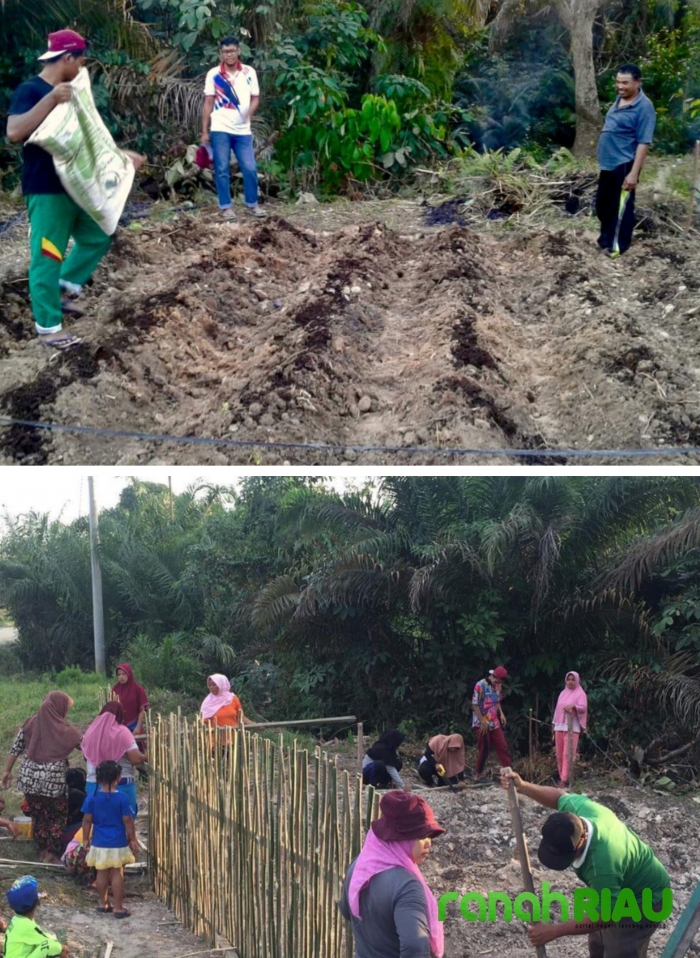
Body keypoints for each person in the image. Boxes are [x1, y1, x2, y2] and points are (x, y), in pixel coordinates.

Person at [6, 29, 146, 350]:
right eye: (80, 58)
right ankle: (49, 328)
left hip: (75, 187)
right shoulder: (32, 90)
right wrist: (52, 98)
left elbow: (86, 142)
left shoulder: (74, 92)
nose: (83, 64)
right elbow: (14, 132)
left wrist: (122, 158)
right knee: (47, 254)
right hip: (46, 189)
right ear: (67, 58)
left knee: (100, 233)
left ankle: (61, 288)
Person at [500, 769, 671, 954]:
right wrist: (523, 786)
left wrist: (554, 931)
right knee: (597, 945)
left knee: (619, 950)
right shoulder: (579, 810)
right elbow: (559, 797)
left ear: (581, 841)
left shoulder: (602, 865)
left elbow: (604, 917)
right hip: (618, 889)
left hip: (645, 899)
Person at [339, 790, 445, 958]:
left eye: (430, 836)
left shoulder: (360, 867)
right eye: (422, 836)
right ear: (399, 838)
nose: (428, 844)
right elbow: (415, 948)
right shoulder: (407, 886)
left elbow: (346, 910)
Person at [1, 691, 82, 863]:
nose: (66, 713)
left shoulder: (30, 723)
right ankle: (51, 854)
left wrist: (7, 771)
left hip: (28, 780)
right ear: (59, 708)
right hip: (52, 784)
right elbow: (87, 746)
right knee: (56, 817)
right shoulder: (68, 731)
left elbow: (15, 748)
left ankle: (42, 851)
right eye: (66, 708)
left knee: (38, 816)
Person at [201, 36, 266, 222]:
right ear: (220, 54)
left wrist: (249, 114)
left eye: (232, 51)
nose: (229, 55)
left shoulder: (249, 72)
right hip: (220, 127)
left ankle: (252, 204)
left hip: (243, 131)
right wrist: (205, 131)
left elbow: (255, 97)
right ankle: (226, 207)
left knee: (250, 167)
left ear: (239, 51)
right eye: (225, 52)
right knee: (221, 168)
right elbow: (208, 102)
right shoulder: (213, 74)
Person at [596, 64, 656, 256]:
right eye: (618, 82)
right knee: (603, 206)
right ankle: (605, 240)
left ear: (638, 82)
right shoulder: (618, 100)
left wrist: (633, 173)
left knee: (620, 208)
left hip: (624, 163)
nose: (620, 87)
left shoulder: (644, 107)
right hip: (608, 163)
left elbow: (643, 142)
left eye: (625, 83)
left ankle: (618, 247)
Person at [81, 759, 139, 919]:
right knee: (117, 874)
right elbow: (128, 821)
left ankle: (103, 903)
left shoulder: (92, 798)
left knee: (101, 873)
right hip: (117, 842)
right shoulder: (122, 798)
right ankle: (118, 907)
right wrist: (133, 839)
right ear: (118, 778)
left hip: (99, 842)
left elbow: (86, 820)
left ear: (98, 779)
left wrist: (85, 839)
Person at [81, 702, 147, 817]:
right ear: (120, 715)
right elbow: (136, 759)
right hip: (121, 785)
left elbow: (86, 757)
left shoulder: (90, 732)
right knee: (124, 822)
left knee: (99, 822)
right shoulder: (122, 732)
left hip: (94, 785)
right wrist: (146, 756)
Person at [3, 875, 69, 958]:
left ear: (12, 907)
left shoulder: (16, 920)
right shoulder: (26, 926)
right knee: (49, 946)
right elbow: (47, 943)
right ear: (38, 902)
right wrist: (61, 948)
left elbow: (40, 934)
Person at [471, 666, 511, 782]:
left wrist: (501, 714)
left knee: (502, 745)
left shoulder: (498, 686)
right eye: (496, 681)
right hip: (481, 721)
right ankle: (477, 773)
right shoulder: (480, 685)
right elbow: (475, 704)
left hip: (494, 721)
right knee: (485, 747)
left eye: (499, 682)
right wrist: (482, 720)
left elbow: (496, 701)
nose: (497, 684)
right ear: (493, 676)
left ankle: (509, 773)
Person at [552, 671, 588, 787]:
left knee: (568, 753)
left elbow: (583, 708)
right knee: (559, 752)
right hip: (560, 726)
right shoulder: (562, 693)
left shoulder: (580, 694)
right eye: (569, 679)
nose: (571, 682)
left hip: (572, 727)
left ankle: (564, 779)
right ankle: (561, 774)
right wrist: (554, 724)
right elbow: (557, 710)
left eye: (573, 679)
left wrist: (574, 706)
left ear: (577, 680)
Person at [111, 663, 149, 740]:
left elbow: (142, 709)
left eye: (123, 674)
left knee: (136, 748)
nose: (121, 677)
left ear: (129, 674)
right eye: (119, 675)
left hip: (134, 725)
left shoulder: (138, 689)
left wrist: (138, 727)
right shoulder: (115, 690)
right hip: (119, 726)